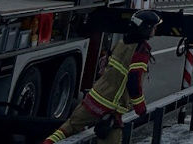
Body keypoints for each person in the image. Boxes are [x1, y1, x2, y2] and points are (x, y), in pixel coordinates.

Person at [44, 9, 159, 144]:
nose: (156, 30)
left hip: (93, 99)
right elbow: (134, 80)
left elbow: (105, 66)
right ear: (146, 29)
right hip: (110, 108)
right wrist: (140, 107)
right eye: (155, 27)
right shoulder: (140, 51)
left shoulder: (122, 42)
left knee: (68, 127)